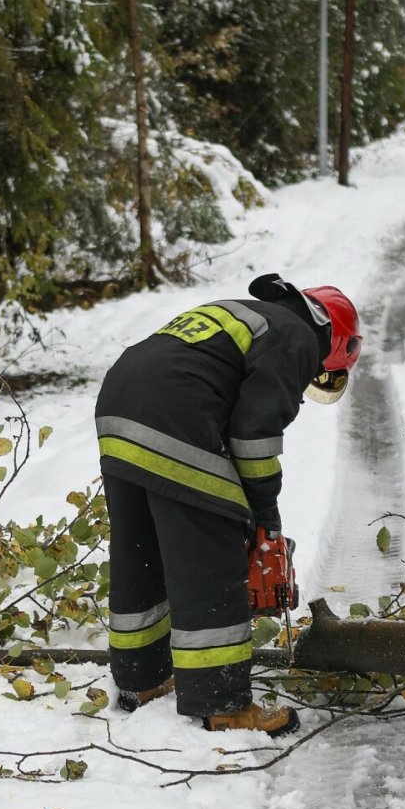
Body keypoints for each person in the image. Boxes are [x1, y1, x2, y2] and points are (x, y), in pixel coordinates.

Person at [95, 274, 361, 736]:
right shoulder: (295, 336)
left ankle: (141, 682)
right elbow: (254, 437)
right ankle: (224, 705)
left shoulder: (244, 312)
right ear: (336, 344)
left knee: (141, 555)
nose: (313, 377)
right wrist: (261, 518)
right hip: (175, 414)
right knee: (210, 556)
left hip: (119, 409)